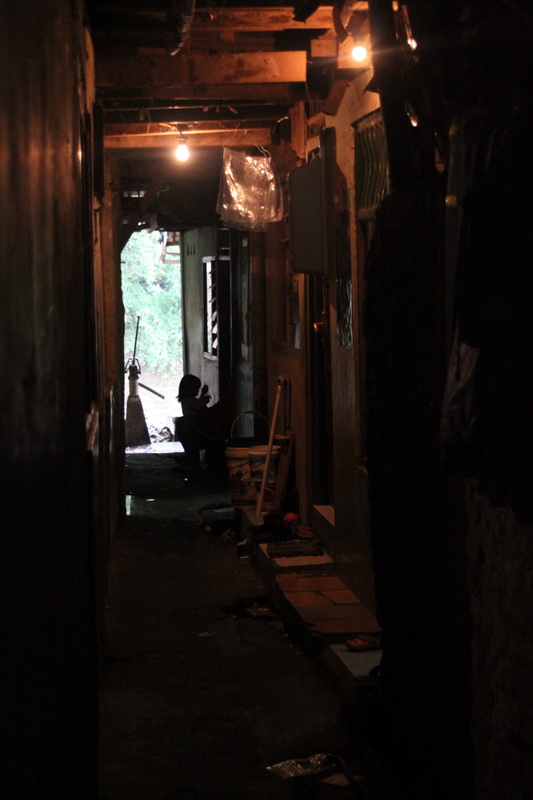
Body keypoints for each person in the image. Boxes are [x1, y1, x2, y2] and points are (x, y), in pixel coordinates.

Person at [174, 374, 230, 472]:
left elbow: (198, 404)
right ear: (186, 388)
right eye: (195, 388)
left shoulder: (190, 400)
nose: (197, 391)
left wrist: (203, 395)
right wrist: (204, 399)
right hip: (194, 424)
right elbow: (198, 406)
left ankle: (193, 463)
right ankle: (194, 463)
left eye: (198, 388)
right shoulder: (188, 400)